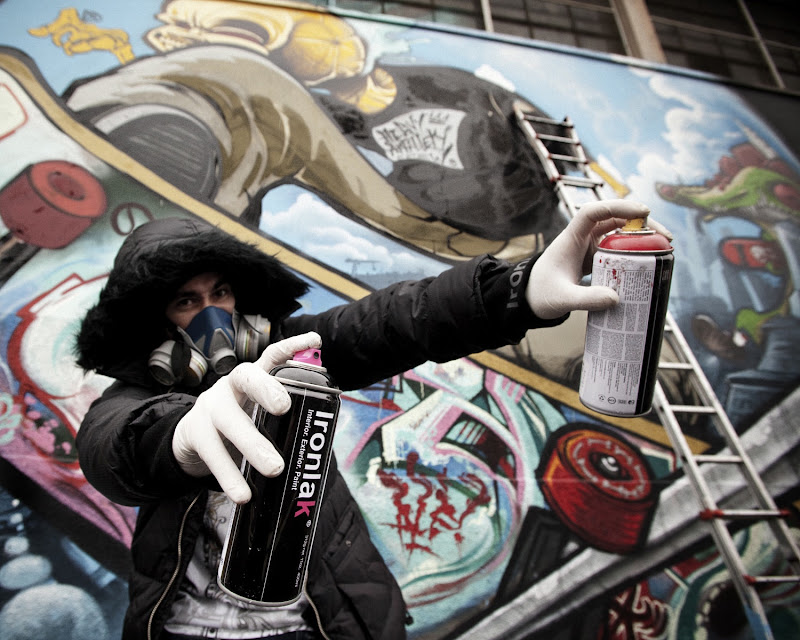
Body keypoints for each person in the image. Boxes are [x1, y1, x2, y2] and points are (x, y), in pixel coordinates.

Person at [74, 200, 665, 640]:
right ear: (156, 320)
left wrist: (519, 289)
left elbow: (395, 321)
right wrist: (180, 438)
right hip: (188, 629)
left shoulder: (289, 358)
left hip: (319, 625)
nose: (212, 314)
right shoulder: (130, 400)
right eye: (187, 301)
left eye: (221, 292)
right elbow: (115, 446)